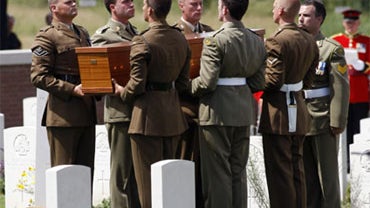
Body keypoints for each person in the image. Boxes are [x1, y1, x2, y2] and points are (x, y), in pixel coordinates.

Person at [112, 0, 190, 207]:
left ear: (150, 10)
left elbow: (137, 84)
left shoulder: (143, 40)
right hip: (173, 116)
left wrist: (122, 92)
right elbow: (183, 83)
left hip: (147, 119)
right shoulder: (180, 38)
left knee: (148, 187)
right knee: (170, 183)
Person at [190, 0, 266, 207]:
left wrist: (186, 86)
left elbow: (206, 81)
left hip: (217, 111)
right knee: (237, 172)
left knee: (217, 174)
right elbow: (259, 81)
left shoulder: (215, 40)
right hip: (242, 110)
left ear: (224, 9)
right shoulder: (255, 39)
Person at [258, 0, 319, 207]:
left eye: (275, 6)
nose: (273, 10)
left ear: (281, 11)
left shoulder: (277, 41)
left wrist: (252, 80)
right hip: (299, 110)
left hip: (279, 114)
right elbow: (309, 81)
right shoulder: (309, 40)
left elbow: (273, 80)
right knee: (297, 169)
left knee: (280, 173)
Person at [30, 0, 96, 185]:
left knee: (85, 176)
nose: (74, 4)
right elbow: (38, 76)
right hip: (63, 116)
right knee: (64, 176)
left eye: (75, 1)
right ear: (54, 8)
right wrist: (72, 89)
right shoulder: (47, 36)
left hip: (86, 112)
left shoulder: (82, 33)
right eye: (68, 2)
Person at [298, 1, 349, 207]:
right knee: (307, 179)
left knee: (326, 179)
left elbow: (340, 88)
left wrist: (337, 121)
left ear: (319, 19)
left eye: (307, 16)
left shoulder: (331, 49)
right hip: (300, 119)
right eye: (299, 15)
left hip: (322, 119)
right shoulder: (295, 45)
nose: (301, 19)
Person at [90, 0, 140, 207]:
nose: (131, 4)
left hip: (138, 110)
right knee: (122, 174)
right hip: (120, 112)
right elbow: (97, 72)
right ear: (112, 7)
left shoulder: (137, 32)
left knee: (137, 174)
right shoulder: (103, 36)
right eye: (125, 1)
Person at [173, 0, 213, 207]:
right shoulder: (175, 33)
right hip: (185, 109)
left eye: (200, 4)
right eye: (193, 4)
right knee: (186, 163)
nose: (198, 8)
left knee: (204, 170)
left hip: (207, 107)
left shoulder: (209, 32)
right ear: (181, 5)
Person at [331, 8, 370, 173]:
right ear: (343, 22)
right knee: (343, 129)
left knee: (359, 130)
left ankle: (360, 162)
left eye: (353, 22)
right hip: (341, 94)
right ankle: (344, 164)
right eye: (348, 21)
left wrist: (363, 68)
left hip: (360, 94)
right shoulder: (336, 40)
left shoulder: (366, 41)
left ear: (358, 23)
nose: (350, 25)